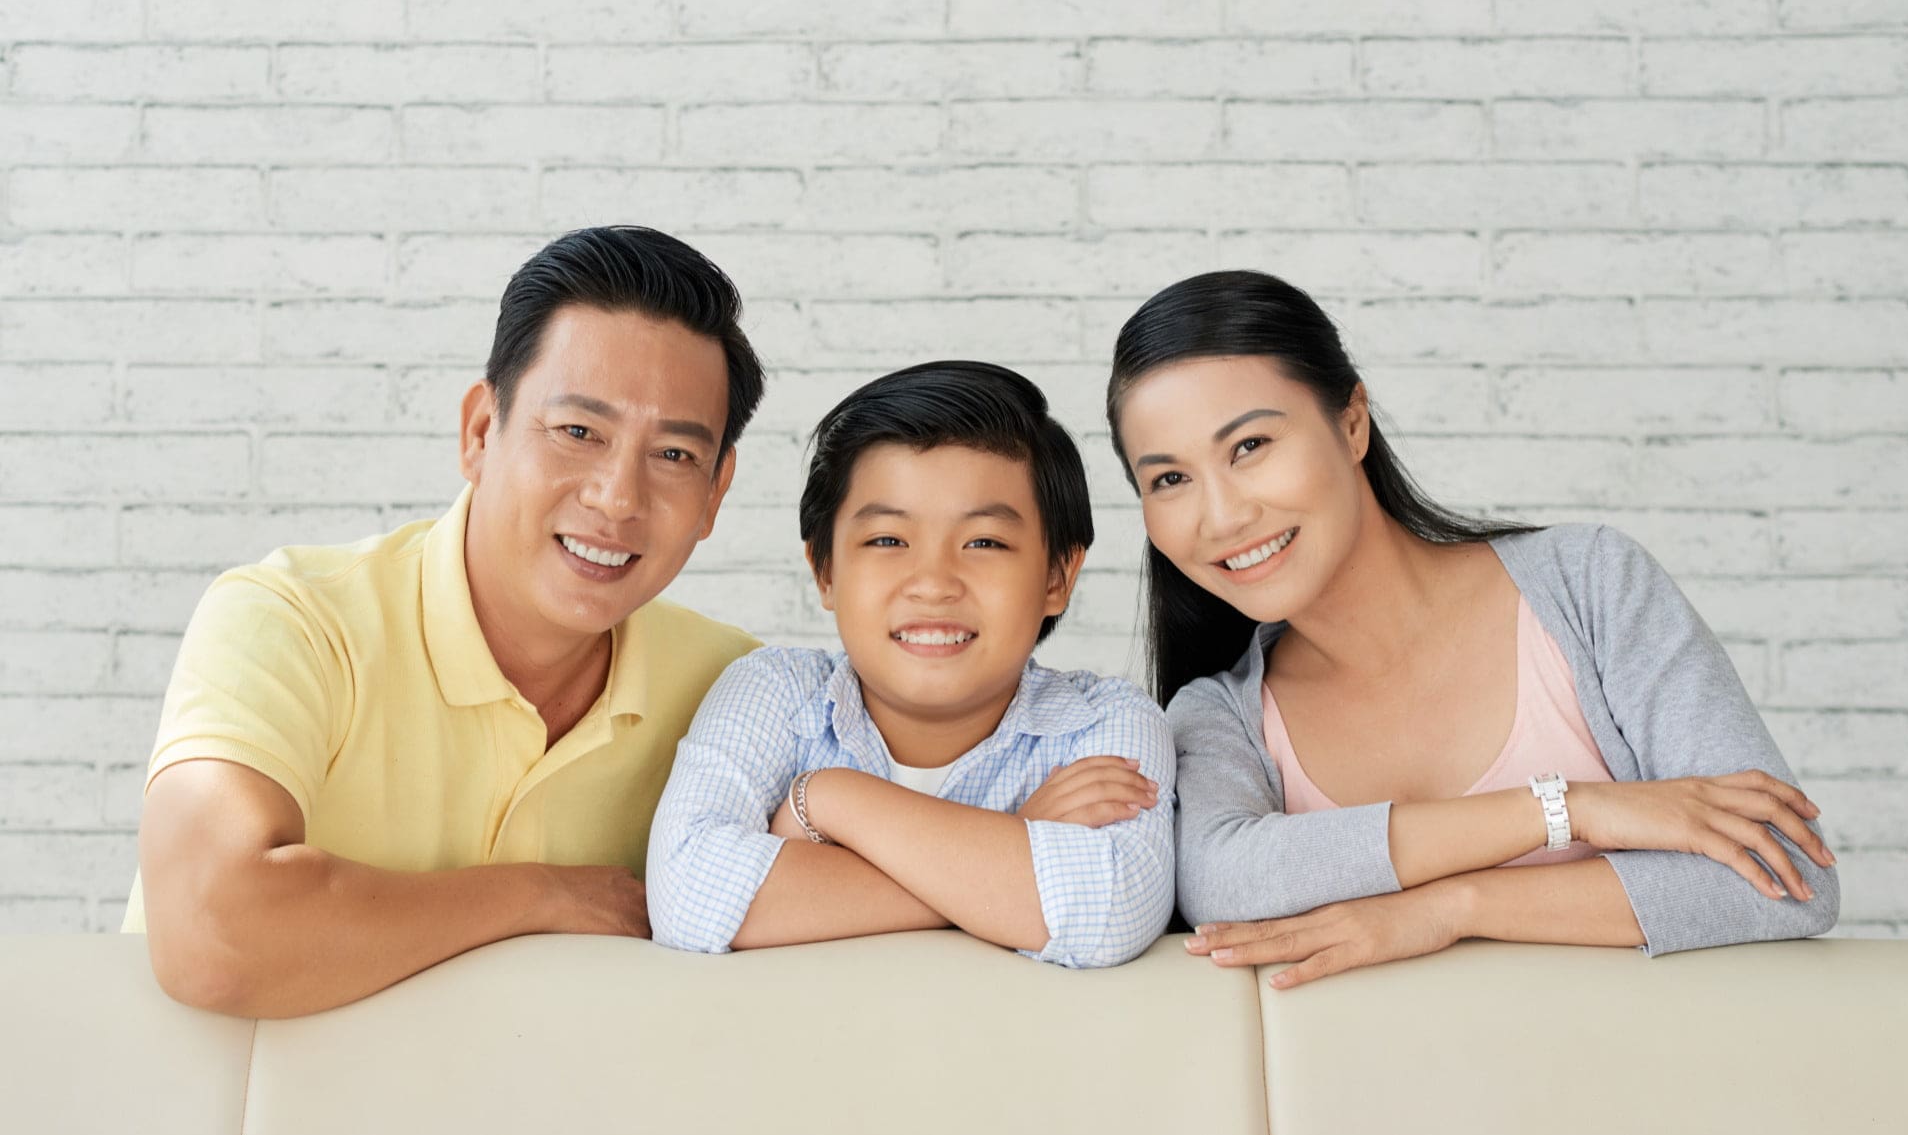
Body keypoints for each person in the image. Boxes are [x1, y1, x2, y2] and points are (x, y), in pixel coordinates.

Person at [1104, 269, 1839, 989]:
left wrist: (1451, 907)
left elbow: (1784, 870)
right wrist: (1570, 809)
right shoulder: (1218, 713)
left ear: (1351, 422)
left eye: (1250, 446)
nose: (1222, 515)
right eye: (1169, 479)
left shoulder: (1587, 585)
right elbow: (1224, 882)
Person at [128, 226, 764, 1017]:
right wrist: (539, 898)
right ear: (478, 431)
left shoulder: (739, 693)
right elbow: (210, 934)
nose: (618, 498)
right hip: (225, 1127)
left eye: (673, 454)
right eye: (578, 432)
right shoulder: (292, 619)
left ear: (716, 491)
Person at [646, 361, 1174, 968]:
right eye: (888, 541)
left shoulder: (1104, 723)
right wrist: (1004, 849)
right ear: (824, 570)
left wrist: (828, 800)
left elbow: (1110, 911)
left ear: (1058, 576)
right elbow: (688, 898)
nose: (932, 584)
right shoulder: (772, 692)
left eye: (984, 543)